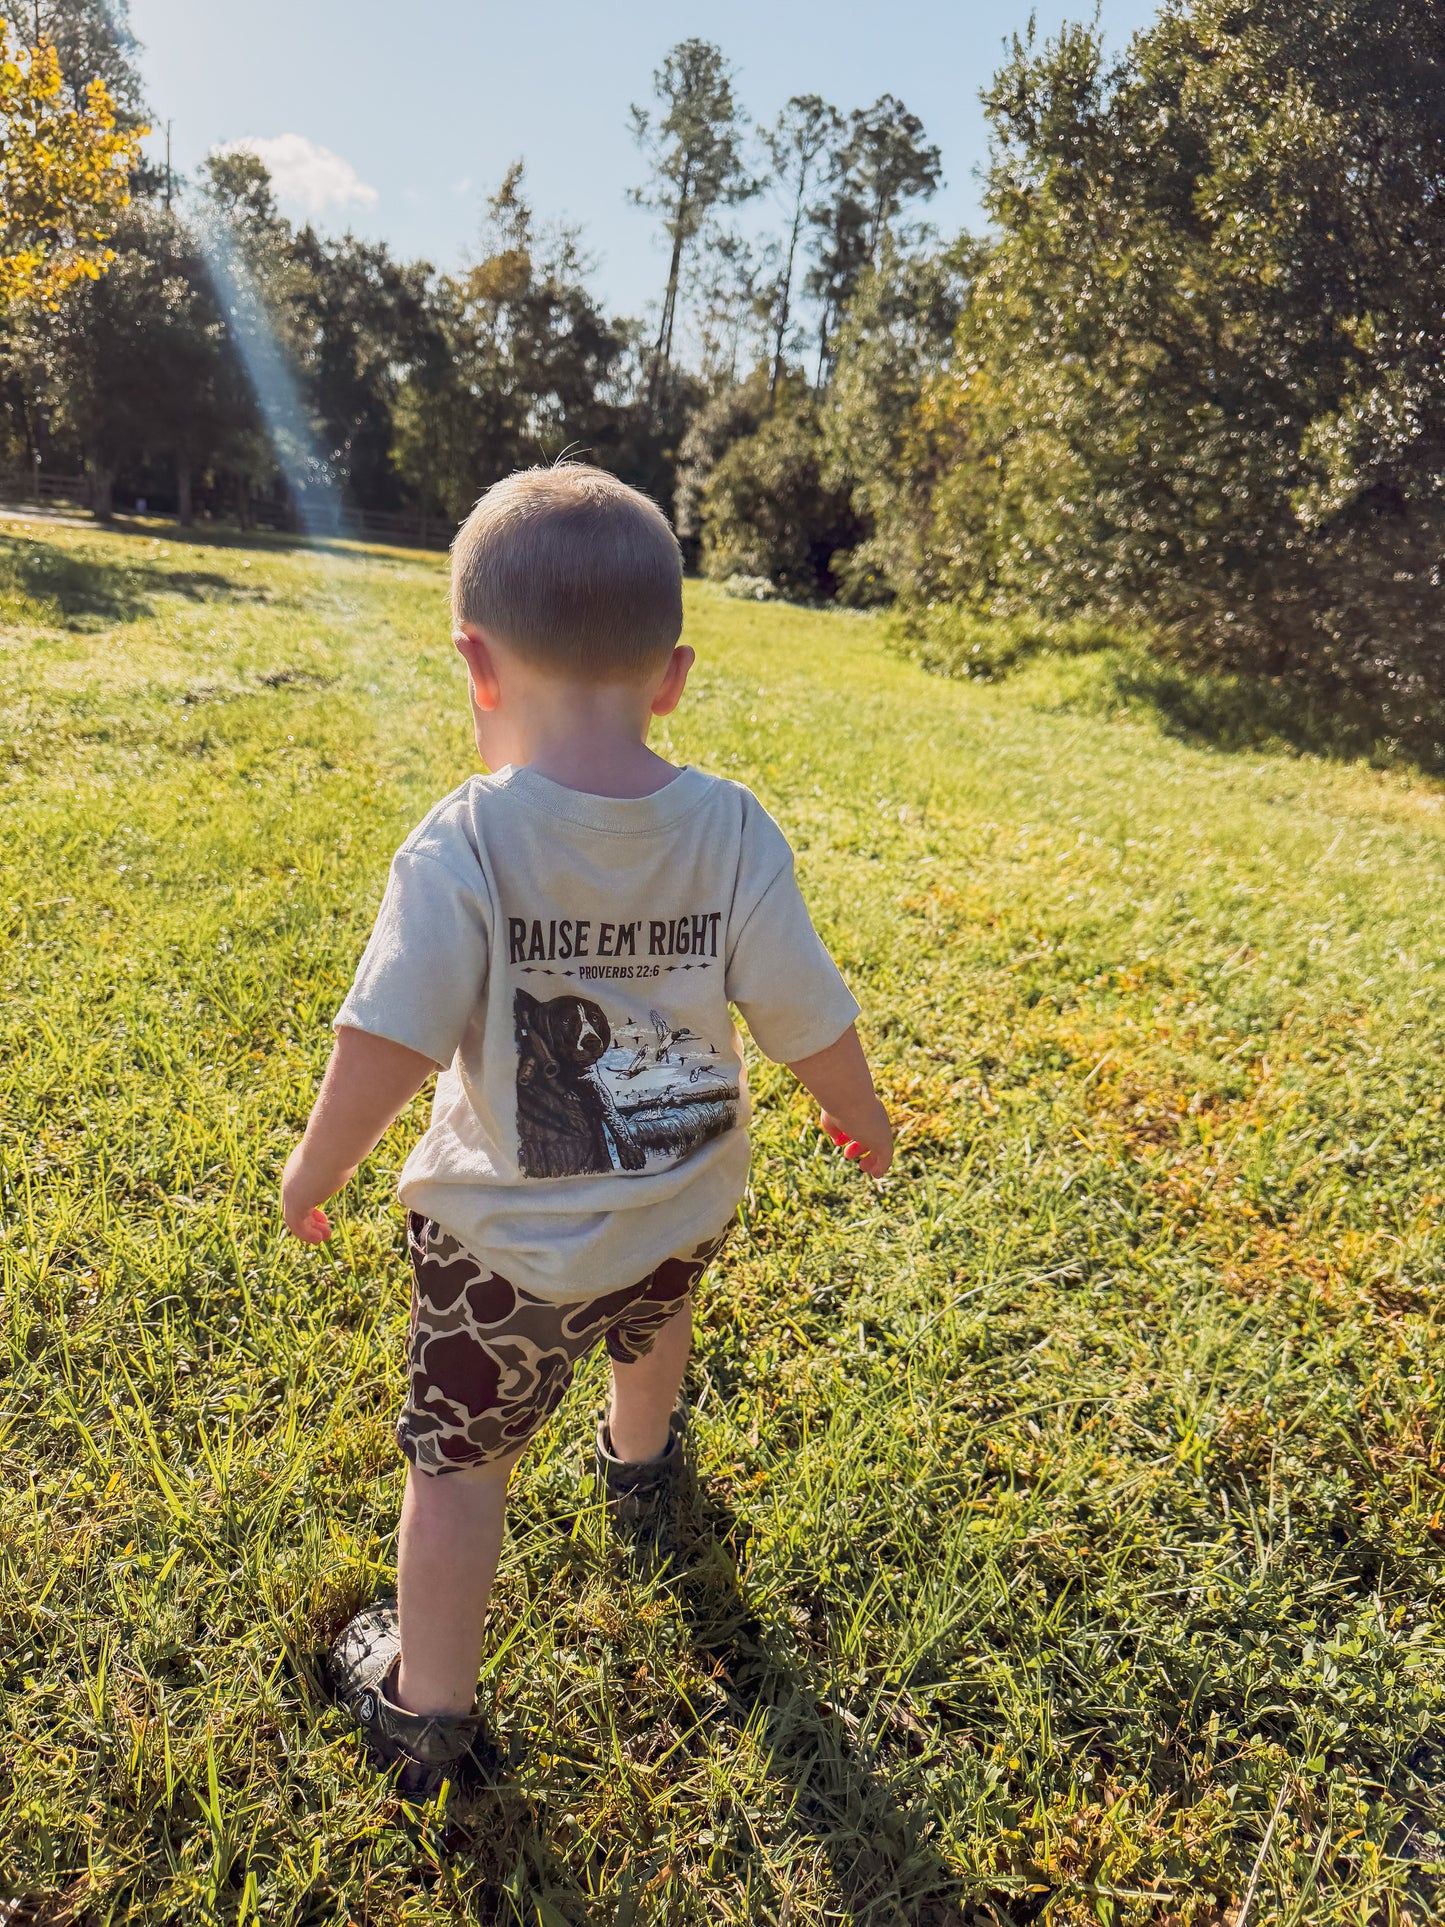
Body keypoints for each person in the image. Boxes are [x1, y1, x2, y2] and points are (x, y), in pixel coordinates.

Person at [280, 464, 893, 1794]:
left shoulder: (466, 842)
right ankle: (640, 1460)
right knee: (650, 1314)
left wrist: (316, 1166)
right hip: (678, 1209)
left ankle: (426, 1708)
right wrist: (861, 1117)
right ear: (671, 677)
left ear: (475, 664)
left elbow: (385, 1037)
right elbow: (805, 1008)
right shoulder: (730, 828)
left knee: (457, 1471)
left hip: (504, 1255)